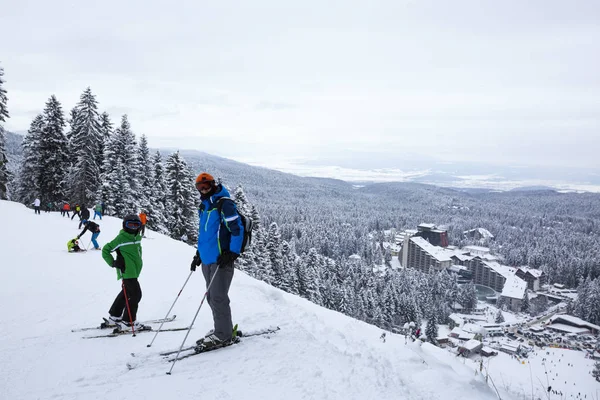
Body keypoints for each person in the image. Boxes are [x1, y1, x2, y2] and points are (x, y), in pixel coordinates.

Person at [191, 172, 244, 350]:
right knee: (212, 297)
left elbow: (237, 230)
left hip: (222, 260)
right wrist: (198, 255)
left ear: (213, 185)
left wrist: (232, 253)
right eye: (200, 187)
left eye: (207, 186)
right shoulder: (204, 206)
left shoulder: (224, 204)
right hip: (207, 259)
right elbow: (205, 235)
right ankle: (222, 329)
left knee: (219, 297)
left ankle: (223, 335)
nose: (204, 189)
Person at [101, 215, 144, 328]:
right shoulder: (121, 238)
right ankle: (128, 322)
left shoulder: (136, 237)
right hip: (127, 271)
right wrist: (113, 263)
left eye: (136, 225)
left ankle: (115, 316)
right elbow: (105, 250)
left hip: (134, 271)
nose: (133, 228)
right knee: (135, 295)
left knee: (126, 293)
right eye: (130, 225)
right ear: (124, 226)